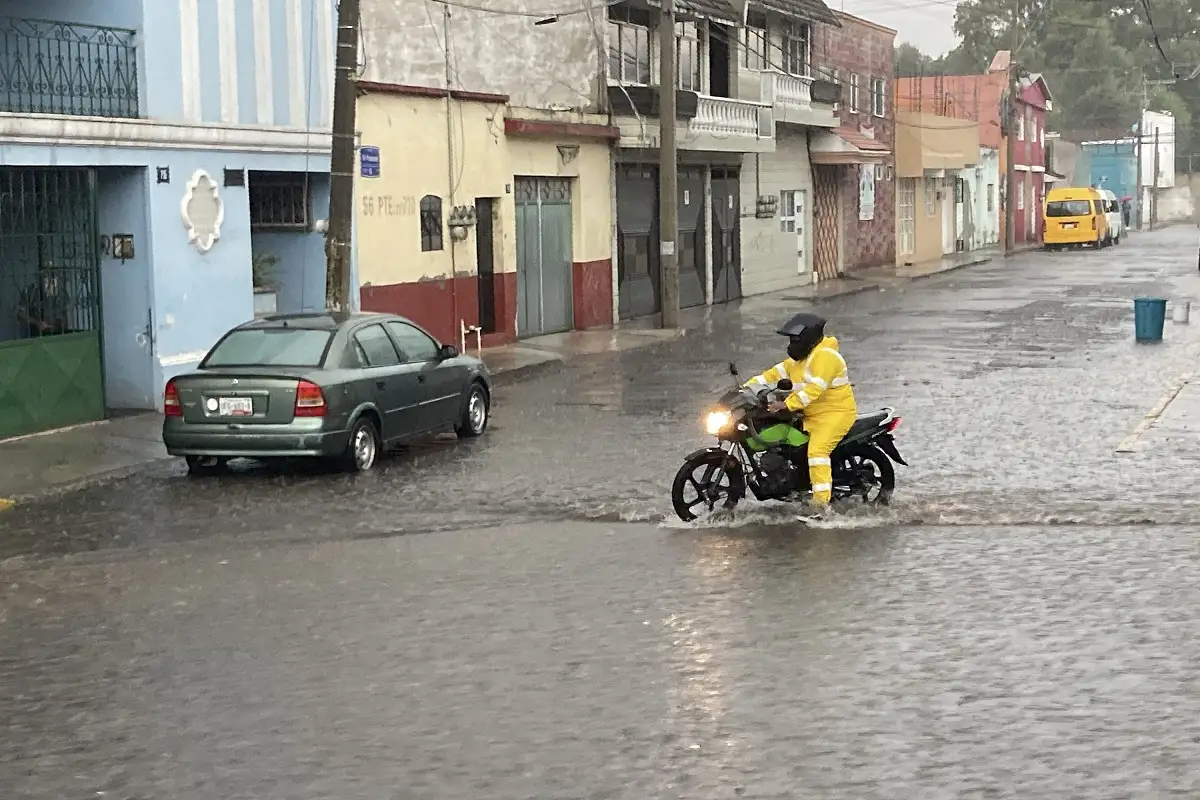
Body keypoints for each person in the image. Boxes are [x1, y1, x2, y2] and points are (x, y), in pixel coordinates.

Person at [744, 312, 857, 517]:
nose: (790, 345)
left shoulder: (827, 357)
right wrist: (744, 391)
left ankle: (821, 507)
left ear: (808, 338)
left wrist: (786, 405)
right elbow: (771, 375)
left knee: (817, 453)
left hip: (835, 414)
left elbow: (814, 389)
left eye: (794, 340)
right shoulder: (798, 361)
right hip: (809, 414)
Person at [15, 268, 71, 338]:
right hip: (35, 335)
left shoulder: (62, 292)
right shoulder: (30, 291)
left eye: (53, 276)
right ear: (40, 279)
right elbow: (20, 313)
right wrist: (37, 323)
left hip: (57, 335)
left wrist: (59, 324)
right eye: (46, 277)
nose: (51, 280)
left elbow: (67, 314)